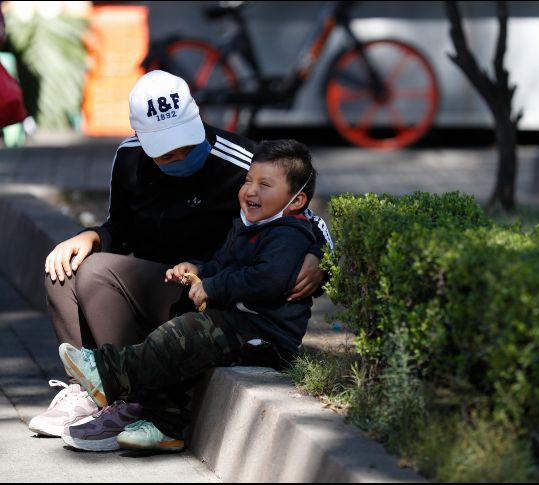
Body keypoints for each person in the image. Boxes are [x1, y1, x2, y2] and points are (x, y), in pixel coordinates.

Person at [29, 70, 333, 438]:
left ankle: (133, 400)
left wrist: (319, 258)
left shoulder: (244, 164)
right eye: (167, 152)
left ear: (197, 115)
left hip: (208, 292)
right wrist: (91, 236)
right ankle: (87, 393)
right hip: (160, 281)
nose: (181, 156)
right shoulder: (129, 158)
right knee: (63, 267)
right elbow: (120, 229)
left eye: (187, 144)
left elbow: (305, 219)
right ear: (142, 140)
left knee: (96, 274)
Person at [59, 139, 318, 452]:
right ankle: (163, 425)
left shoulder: (289, 234)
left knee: (184, 334)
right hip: (240, 324)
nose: (250, 191)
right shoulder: (247, 225)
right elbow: (222, 263)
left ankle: (109, 373)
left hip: (267, 337)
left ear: (296, 199)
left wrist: (213, 286)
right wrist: (199, 270)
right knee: (178, 337)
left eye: (265, 185)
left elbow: (266, 280)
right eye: (248, 180)